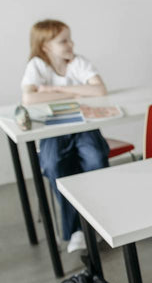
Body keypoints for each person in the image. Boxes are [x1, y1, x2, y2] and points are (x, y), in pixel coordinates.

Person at [21, 20, 109, 254]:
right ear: (45, 46)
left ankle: (98, 222)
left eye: (70, 39)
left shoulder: (78, 63)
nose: (71, 44)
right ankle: (78, 230)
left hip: (84, 125)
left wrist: (54, 91)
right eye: (63, 41)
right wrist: (77, 92)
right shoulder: (37, 65)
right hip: (52, 130)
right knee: (52, 165)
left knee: (96, 159)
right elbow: (28, 99)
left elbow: (100, 90)